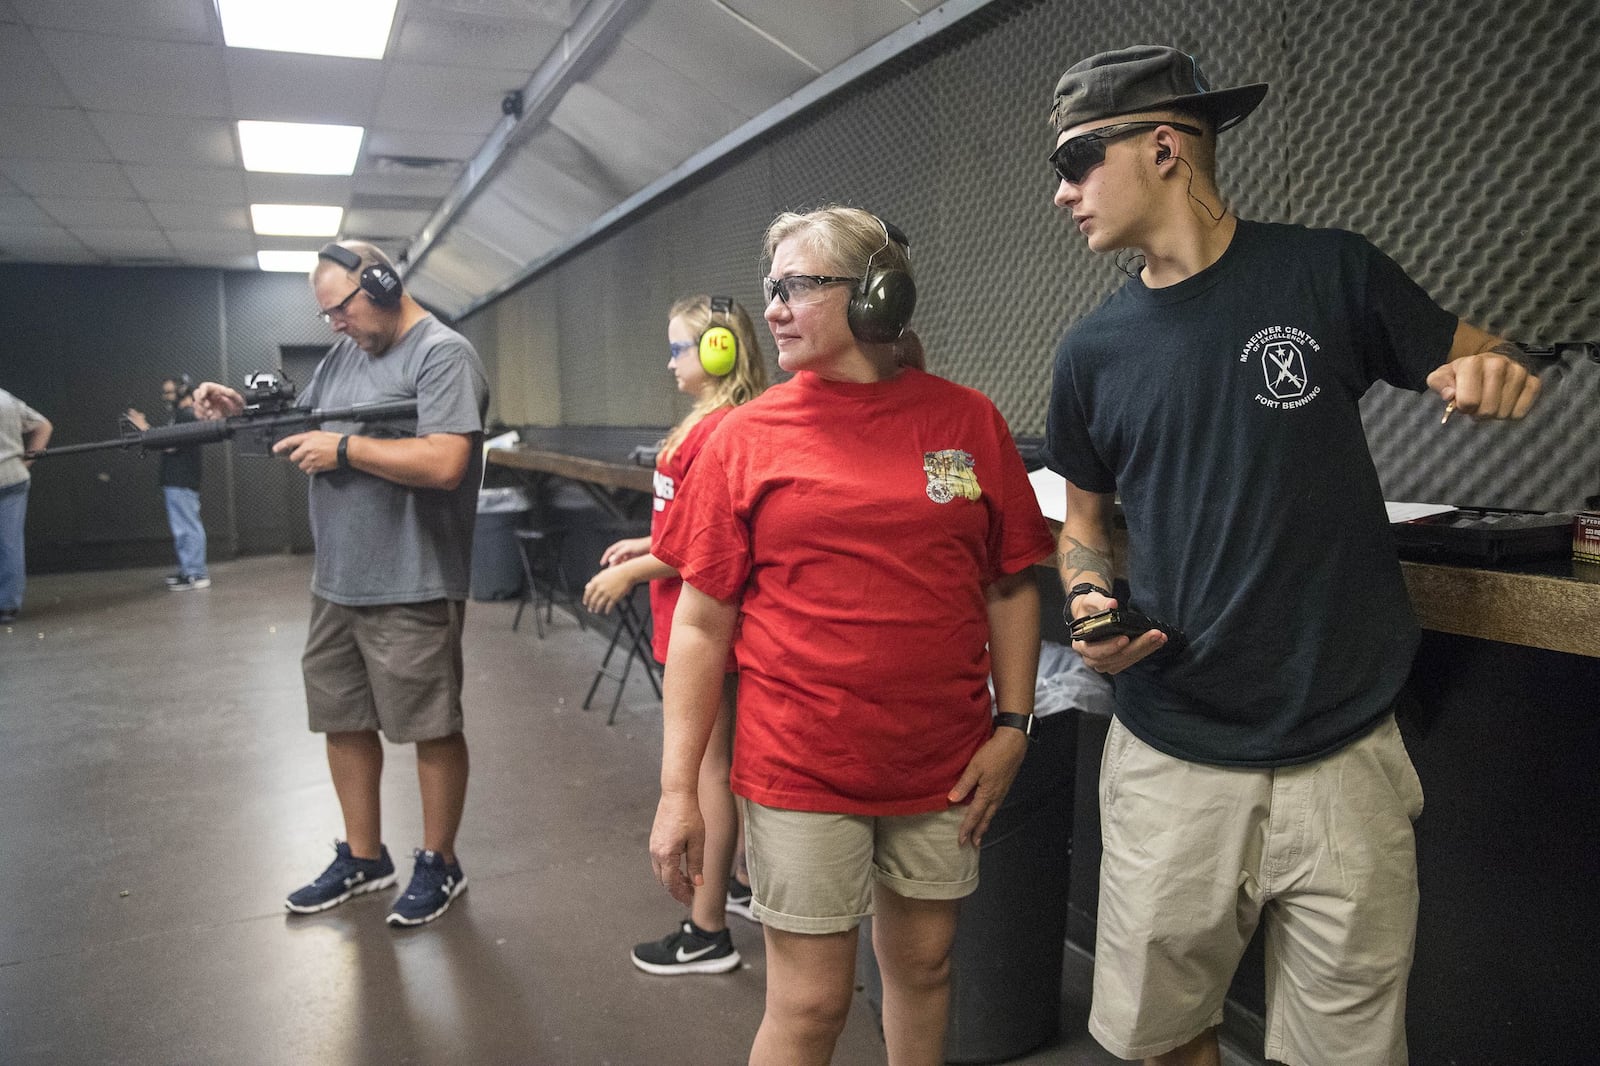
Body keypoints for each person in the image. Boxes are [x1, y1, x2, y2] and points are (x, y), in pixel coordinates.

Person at [1040, 45, 1545, 1066]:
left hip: (1344, 752)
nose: (1062, 193)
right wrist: (1092, 601)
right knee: (1164, 1037)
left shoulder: (1326, 270)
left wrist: (1497, 374)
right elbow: (1083, 524)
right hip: (1171, 752)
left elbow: (1486, 355)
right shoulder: (1090, 354)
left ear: (1165, 145)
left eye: (1079, 159)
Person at [648, 206, 1057, 1065]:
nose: (775, 309)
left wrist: (1013, 727)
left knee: (926, 966)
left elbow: (1009, 581)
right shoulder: (745, 438)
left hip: (941, 762)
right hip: (800, 761)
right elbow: (700, 620)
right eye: (773, 289)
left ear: (878, 295)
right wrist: (678, 788)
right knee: (809, 1005)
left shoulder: (962, 424)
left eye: (798, 287)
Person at [193, 240, 489, 928]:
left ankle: (441, 862)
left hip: (413, 579)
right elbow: (306, 428)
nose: (335, 325)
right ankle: (365, 857)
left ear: (382, 284)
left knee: (430, 726)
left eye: (341, 309)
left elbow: (447, 461)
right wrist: (241, 412)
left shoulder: (442, 354)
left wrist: (348, 448)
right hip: (338, 581)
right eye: (325, 315)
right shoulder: (345, 356)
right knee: (342, 718)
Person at [581, 293, 769, 975]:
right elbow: (686, 526)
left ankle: (708, 927)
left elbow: (711, 546)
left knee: (710, 773)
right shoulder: (708, 420)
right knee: (719, 769)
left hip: (707, 624)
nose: (670, 362)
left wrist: (634, 570)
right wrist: (646, 543)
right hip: (682, 617)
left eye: (678, 348)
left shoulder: (724, 428)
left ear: (719, 349)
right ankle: (734, 887)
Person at [126, 375, 209, 590]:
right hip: (176, 480)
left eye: (170, 392)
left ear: (182, 391)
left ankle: (196, 573)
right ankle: (189, 569)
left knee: (187, 527)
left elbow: (171, 445)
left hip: (182, 480)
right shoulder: (181, 416)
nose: (167, 397)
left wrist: (145, 429)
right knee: (183, 527)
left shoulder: (188, 416)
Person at [0, 387, 52, 625]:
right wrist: (26, 462)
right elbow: (43, 426)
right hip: (14, 478)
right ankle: (7, 606)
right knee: (10, 543)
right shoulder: (5, 398)